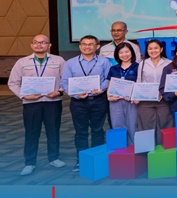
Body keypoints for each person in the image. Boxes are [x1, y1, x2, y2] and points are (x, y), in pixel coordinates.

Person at [8, 35, 66, 175]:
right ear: (31, 45)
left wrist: (59, 92)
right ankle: (30, 162)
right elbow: (13, 83)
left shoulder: (59, 60)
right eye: (36, 42)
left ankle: (54, 158)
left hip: (52, 102)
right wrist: (23, 95)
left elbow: (66, 79)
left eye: (43, 42)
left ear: (49, 45)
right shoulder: (22, 62)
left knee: (53, 131)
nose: (39, 45)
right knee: (31, 132)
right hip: (31, 103)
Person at [61, 35, 110, 172]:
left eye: (90, 44)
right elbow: (64, 82)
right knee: (80, 132)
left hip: (98, 100)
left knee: (97, 131)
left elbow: (108, 78)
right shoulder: (70, 63)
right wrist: (75, 94)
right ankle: (81, 161)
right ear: (80, 46)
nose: (86, 47)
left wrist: (101, 89)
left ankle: (97, 160)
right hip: (78, 102)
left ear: (97, 46)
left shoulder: (104, 61)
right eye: (84, 44)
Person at [134, 39, 172, 145]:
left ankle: (164, 149)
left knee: (165, 125)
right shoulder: (142, 63)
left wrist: (164, 93)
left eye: (156, 48)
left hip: (163, 100)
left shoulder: (169, 63)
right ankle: (147, 150)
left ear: (161, 49)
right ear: (147, 50)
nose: (153, 50)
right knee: (146, 126)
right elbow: (139, 81)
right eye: (150, 48)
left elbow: (170, 82)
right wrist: (136, 96)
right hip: (146, 101)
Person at [106, 42, 139, 144]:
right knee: (117, 125)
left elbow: (140, 84)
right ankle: (120, 150)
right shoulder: (113, 69)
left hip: (132, 101)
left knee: (133, 125)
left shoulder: (138, 67)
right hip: (116, 101)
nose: (124, 55)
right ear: (117, 54)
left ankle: (134, 149)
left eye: (127, 52)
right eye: (121, 52)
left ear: (132, 53)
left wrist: (135, 96)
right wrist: (109, 97)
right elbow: (109, 84)